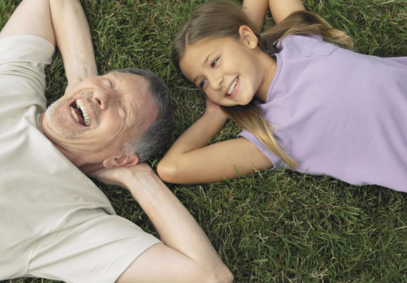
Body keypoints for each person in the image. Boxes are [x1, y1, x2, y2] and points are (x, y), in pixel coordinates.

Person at [0, 0, 233, 282]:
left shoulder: (71, 221)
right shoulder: (14, 82)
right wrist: (82, 81)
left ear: (121, 157)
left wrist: (140, 179)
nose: (102, 96)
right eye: (109, 83)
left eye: (123, 111)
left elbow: (209, 276)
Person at [157, 0, 407, 192]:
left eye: (214, 62)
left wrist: (248, 28)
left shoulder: (298, 42)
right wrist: (214, 114)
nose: (215, 82)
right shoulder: (274, 135)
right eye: (203, 83)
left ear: (246, 37)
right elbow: (171, 168)